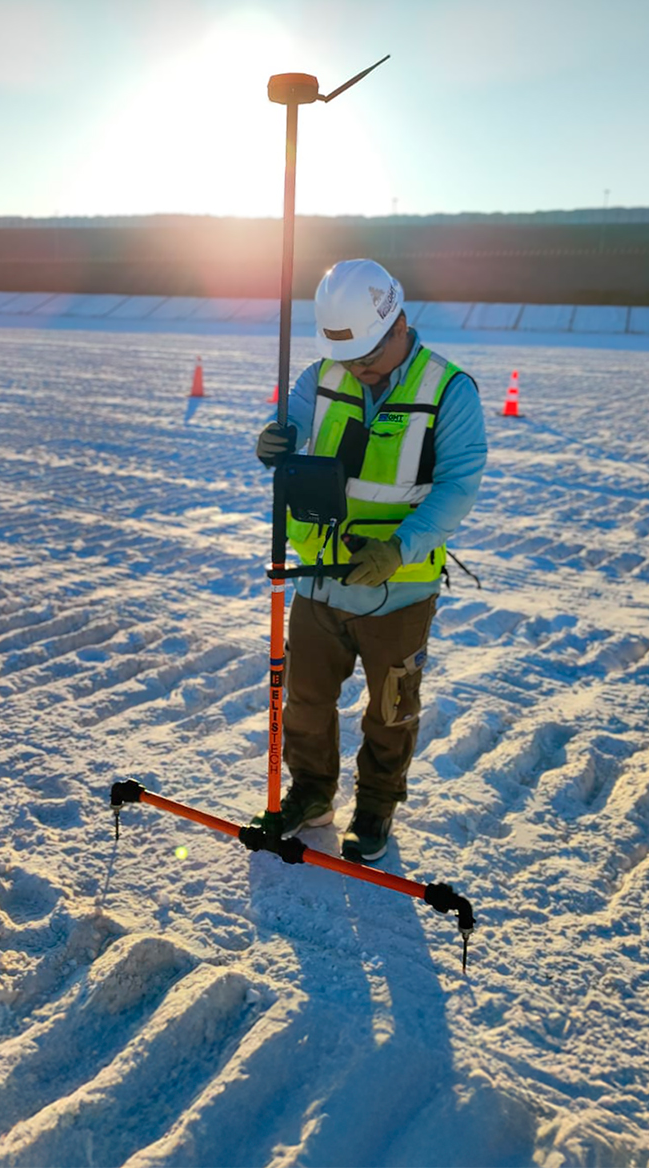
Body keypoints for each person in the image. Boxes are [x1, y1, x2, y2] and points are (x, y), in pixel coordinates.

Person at [252, 258, 487, 862]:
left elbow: (459, 485)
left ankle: (377, 809)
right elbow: (293, 422)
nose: (356, 368)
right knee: (305, 700)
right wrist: (275, 438)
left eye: (368, 355)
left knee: (390, 712)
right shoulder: (321, 373)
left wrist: (399, 548)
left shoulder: (448, 389)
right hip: (319, 582)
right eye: (347, 355)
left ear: (399, 322)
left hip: (401, 590)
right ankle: (310, 794)